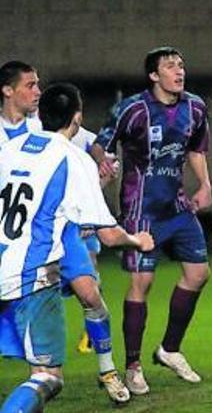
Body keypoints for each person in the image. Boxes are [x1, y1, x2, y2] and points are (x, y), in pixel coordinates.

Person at [0, 83, 154, 413]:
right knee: (47, 378)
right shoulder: (73, 159)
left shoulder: (10, 150)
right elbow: (110, 236)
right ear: (77, 118)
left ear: (39, 114)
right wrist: (137, 240)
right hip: (30, 276)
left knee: (89, 296)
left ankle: (107, 371)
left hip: (7, 258)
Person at [91, 46, 212, 394]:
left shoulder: (195, 107)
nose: (179, 70)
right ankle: (132, 366)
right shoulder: (132, 108)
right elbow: (101, 144)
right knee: (141, 283)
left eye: (181, 64)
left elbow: (196, 149)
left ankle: (169, 349)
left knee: (199, 273)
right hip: (140, 211)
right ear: (154, 76)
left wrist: (204, 184)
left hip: (177, 207)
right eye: (170, 66)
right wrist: (102, 162)